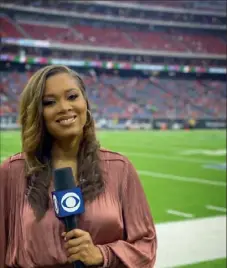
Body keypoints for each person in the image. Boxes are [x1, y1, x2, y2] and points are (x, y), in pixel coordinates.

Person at [0, 65, 157, 268]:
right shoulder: (11, 172)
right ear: (36, 113)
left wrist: (102, 255)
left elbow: (146, 246)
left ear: (86, 103)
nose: (65, 107)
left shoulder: (120, 168)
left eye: (72, 97)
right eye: (49, 102)